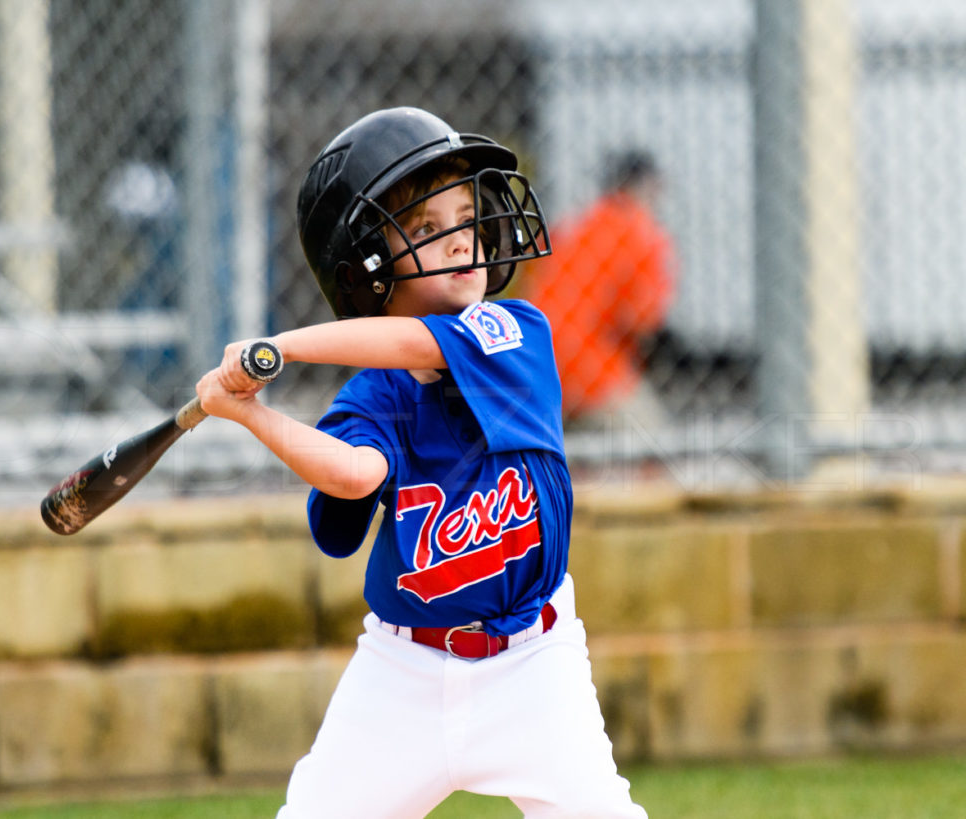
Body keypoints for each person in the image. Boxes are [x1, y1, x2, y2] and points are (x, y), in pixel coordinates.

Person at [196, 107, 648, 818]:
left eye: (466, 217)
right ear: (367, 268)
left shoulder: (512, 331)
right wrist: (250, 412)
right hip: (402, 673)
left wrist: (280, 346)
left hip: (534, 662)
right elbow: (353, 474)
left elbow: (418, 345)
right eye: (428, 228)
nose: (461, 240)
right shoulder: (371, 394)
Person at [524, 149, 676, 428]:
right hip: (590, 366)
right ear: (647, 187)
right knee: (658, 446)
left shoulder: (576, 222)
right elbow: (641, 320)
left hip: (533, 358)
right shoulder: (641, 231)